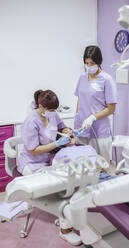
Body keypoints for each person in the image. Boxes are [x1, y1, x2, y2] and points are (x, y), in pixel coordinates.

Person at [18, 89, 82, 246]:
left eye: (55, 109)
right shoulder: (31, 121)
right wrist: (56, 144)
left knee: (72, 181)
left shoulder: (52, 115)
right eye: (51, 109)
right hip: (31, 163)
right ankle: (65, 229)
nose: (54, 112)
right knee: (61, 188)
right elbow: (33, 150)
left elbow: (62, 126)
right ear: (41, 106)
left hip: (49, 159)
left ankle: (65, 215)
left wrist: (68, 131)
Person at [74, 45, 117, 163]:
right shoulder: (82, 78)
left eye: (91, 63)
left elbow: (111, 109)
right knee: (83, 165)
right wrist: (77, 117)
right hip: (81, 128)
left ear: (98, 62)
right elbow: (80, 100)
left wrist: (93, 117)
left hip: (99, 130)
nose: (88, 66)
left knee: (101, 165)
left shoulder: (107, 80)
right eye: (86, 63)